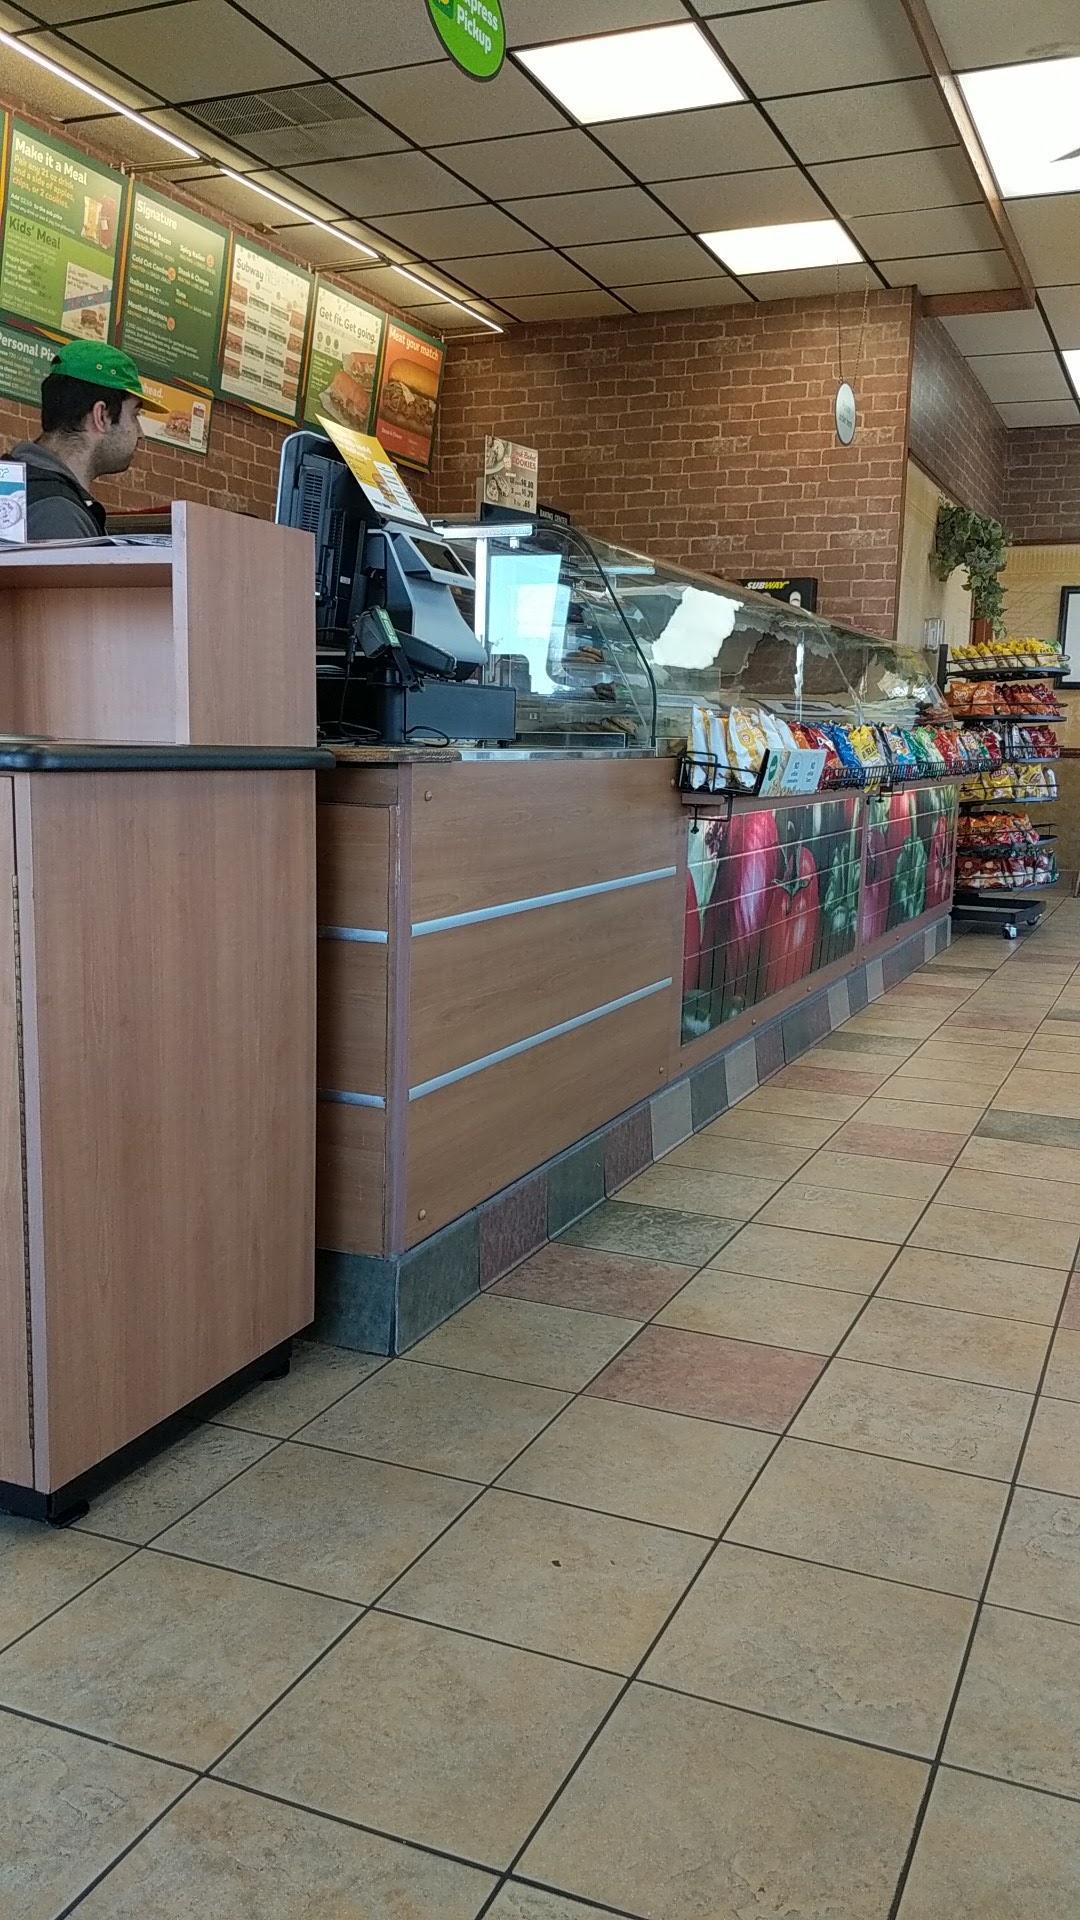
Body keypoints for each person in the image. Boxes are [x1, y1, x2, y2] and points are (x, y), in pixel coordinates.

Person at [5, 341, 169, 541]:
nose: (141, 433)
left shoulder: (16, 487)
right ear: (101, 416)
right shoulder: (58, 515)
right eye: (135, 415)